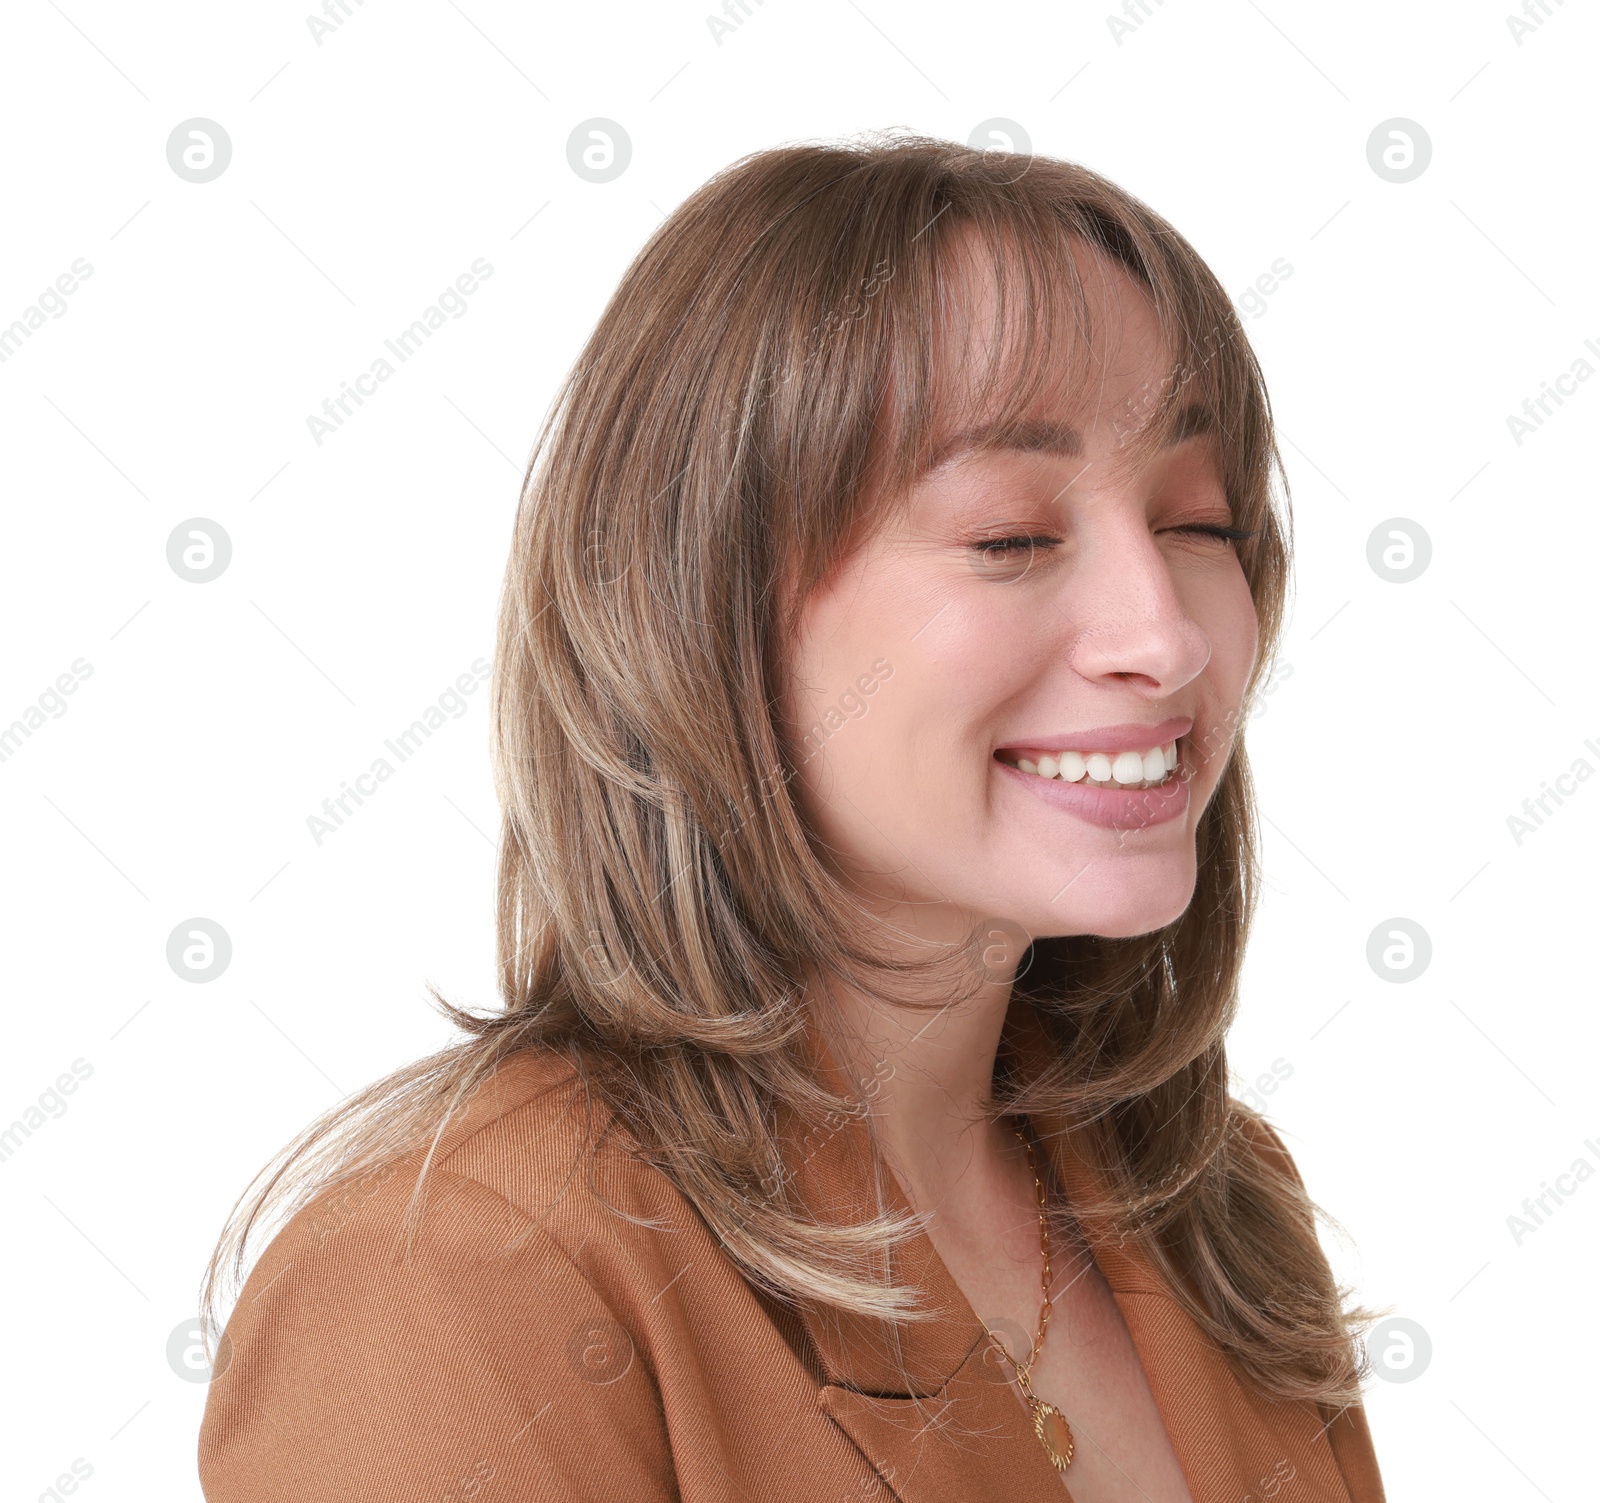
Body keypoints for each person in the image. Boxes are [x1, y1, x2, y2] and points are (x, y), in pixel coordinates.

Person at [197, 132, 1388, 1502]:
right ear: (704, 613)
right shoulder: (461, 1280)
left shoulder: (1216, 1210)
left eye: (1198, 522)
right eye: (1010, 536)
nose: (1166, 638)